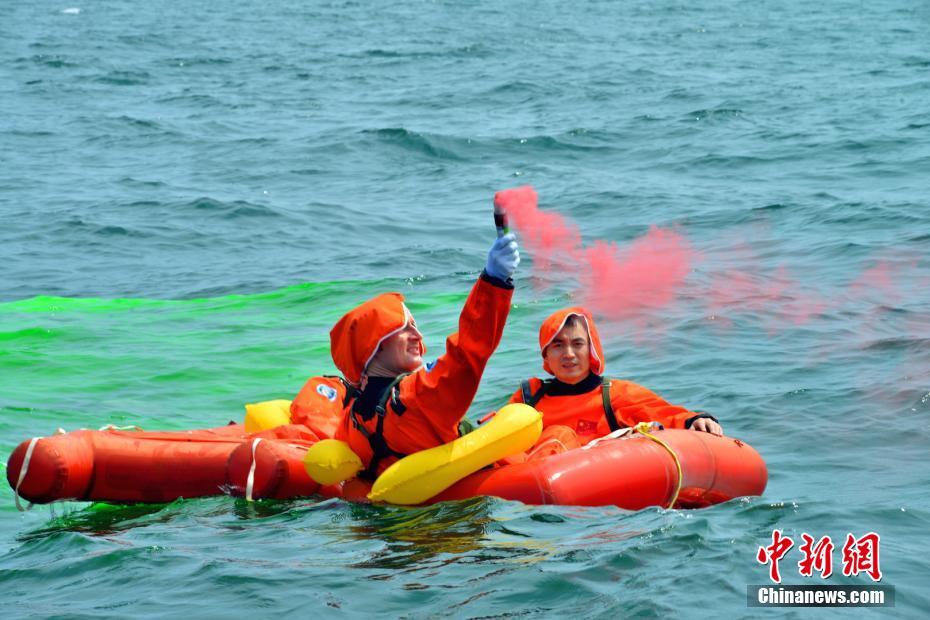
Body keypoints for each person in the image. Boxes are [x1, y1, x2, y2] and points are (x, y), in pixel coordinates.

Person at [329, 231, 520, 480]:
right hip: (479, 497)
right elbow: (469, 351)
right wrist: (494, 281)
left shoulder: (351, 421)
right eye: (403, 327)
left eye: (415, 325)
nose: (417, 335)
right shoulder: (418, 396)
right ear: (373, 346)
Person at [505, 307, 722, 459]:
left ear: (591, 350)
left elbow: (660, 411)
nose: (568, 354)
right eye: (558, 345)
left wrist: (694, 420)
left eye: (577, 344)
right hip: (530, 485)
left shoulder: (614, 394)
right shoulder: (530, 397)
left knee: (560, 435)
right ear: (546, 354)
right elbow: (502, 437)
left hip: (590, 486)